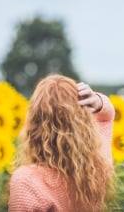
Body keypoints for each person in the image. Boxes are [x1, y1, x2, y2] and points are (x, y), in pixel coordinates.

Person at [8, 74, 115, 212]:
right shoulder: (95, 170)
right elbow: (106, 119)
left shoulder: (27, 181)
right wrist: (98, 102)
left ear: (33, 122)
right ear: (83, 121)